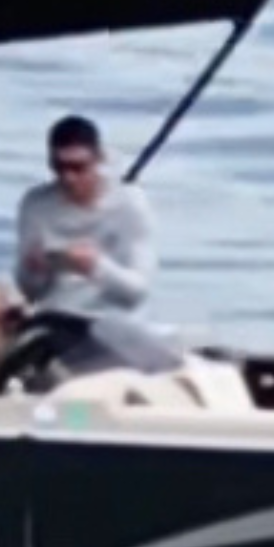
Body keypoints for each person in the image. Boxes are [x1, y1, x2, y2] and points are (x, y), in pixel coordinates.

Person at [14, 115, 176, 374]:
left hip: (113, 321)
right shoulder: (36, 205)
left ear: (98, 159)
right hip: (57, 316)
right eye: (59, 168)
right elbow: (30, 290)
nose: (68, 178)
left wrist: (96, 267)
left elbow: (136, 293)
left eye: (78, 168)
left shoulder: (129, 204)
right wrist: (35, 269)